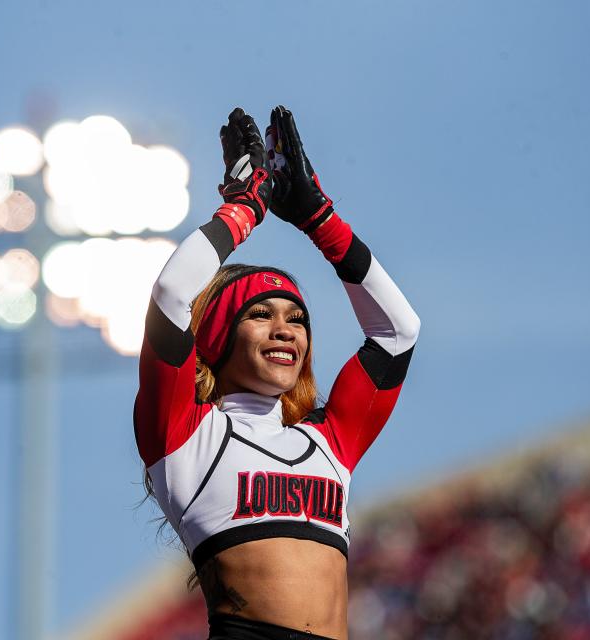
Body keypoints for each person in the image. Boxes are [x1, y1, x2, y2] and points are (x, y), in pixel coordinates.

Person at [134, 106, 420, 640]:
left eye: (297, 320)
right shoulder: (186, 439)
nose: (285, 330)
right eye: (261, 315)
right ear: (219, 335)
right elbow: (173, 295)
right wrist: (243, 209)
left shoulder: (329, 444)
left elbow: (398, 331)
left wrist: (319, 218)